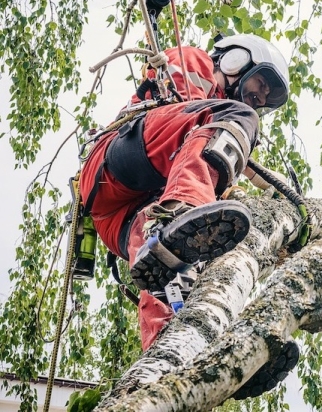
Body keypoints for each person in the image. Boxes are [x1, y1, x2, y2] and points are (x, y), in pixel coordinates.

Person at [79, 34, 290, 351]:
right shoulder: (198, 63)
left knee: (173, 263)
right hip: (121, 160)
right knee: (238, 123)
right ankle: (183, 210)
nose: (260, 97)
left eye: (266, 98)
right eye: (261, 83)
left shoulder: (221, 116)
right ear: (236, 60)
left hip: (121, 217)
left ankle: (176, 349)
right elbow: (187, 115)